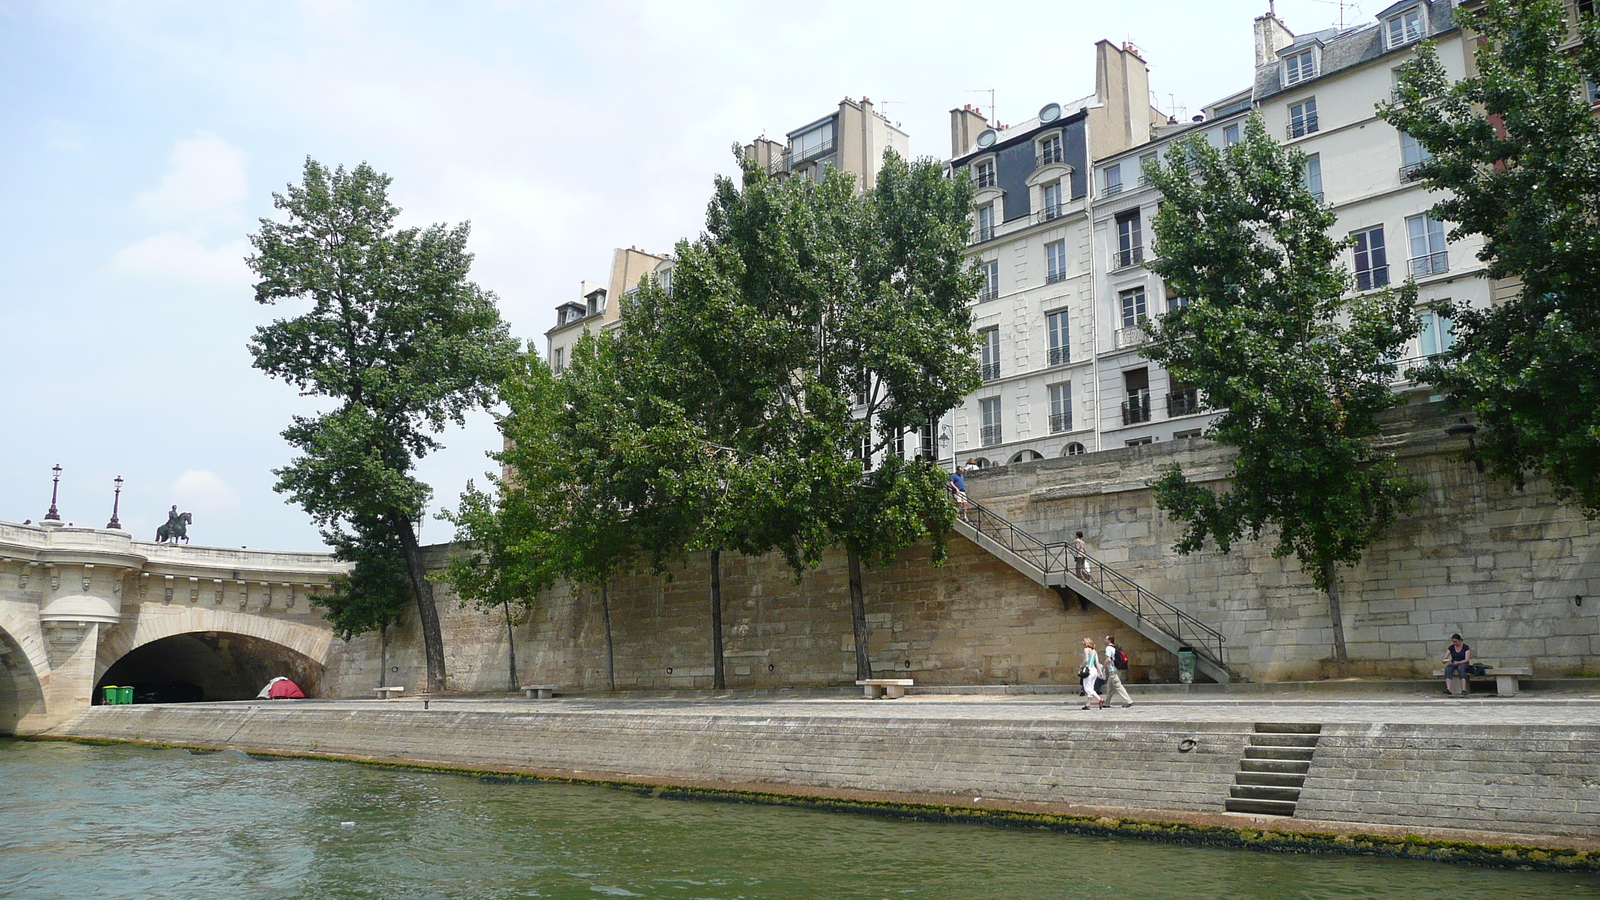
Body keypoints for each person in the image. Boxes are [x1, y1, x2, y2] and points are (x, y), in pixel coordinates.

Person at [1103, 635, 1133, 708]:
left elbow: (1108, 659)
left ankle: (1129, 701)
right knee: (1110, 687)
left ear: (1109, 640)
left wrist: (1103, 668)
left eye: (1106, 639)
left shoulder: (1108, 648)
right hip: (1117, 669)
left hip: (1113, 670)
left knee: (1118, 685)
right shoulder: (1116, 647)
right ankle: (1106, 703)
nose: (1104, 640)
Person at [1079, 637, 1104, 710]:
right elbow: (1097, 663)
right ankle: (1088, 704)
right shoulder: (1094, 651)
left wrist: (1081, 666)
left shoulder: (1086, 649)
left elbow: (1086, 660)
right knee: (1091, 687)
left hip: (1088, 669)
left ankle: (1100, 699)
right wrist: (1100, 672)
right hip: (1094, 670)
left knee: (1087, 688)